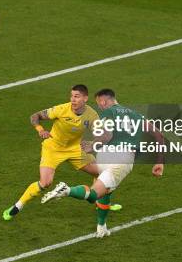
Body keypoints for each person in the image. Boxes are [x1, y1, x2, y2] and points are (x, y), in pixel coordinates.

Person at [42, 88, 164, 238]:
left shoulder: (107, 113)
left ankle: (102, 226)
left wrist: (93, 145)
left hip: (104, 156)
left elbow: (106, 135)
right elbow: (158, 134)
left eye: (99, 103)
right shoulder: (137, 115)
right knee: (94, 194)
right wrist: (159, 161)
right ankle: (67, 190)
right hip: (122, 159)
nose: (99, 107)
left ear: (104, 101)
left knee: (106, 191)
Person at [3, 85, 103, 221]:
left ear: (85, 98)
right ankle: (17, 206)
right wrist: (40, 129)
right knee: (45, 183)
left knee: (101, 173)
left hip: (75, 149)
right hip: (53, 148)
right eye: (71, 96)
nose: (73, 100)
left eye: (77, 96)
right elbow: (35, 116)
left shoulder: (92, 115)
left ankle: (100, 202)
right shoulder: (61, 109)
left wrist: (92, 145)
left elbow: (101, 134)